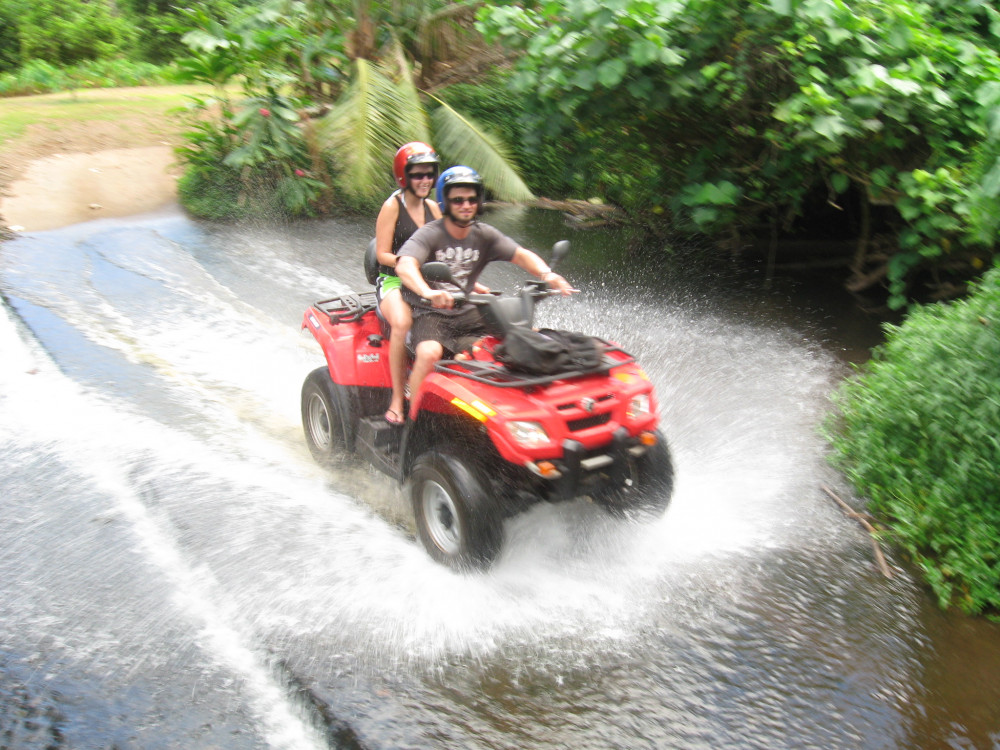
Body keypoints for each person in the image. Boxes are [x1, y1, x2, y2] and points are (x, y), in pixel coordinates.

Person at [395, 166, 574, 401]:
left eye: (471, 199)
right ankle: (413, 413)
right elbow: (405, 264)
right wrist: (427, 291)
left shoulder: (484, 235)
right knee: (429, 353)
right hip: (431, 312)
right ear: (445, 202)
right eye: (458, 200)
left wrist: (547, 274)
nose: (466, 205)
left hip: (468, 310)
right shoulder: (430, 233)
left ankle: (537, 400)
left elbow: (520, 255)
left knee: (524, 336)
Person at [373, 142, 441, 424]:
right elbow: (382, 254)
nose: (424, 181)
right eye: (418, 175)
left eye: (429, 174)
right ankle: (398, 400)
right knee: (402, 322)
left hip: (425, 279)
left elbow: (448, 243)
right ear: (404, 176)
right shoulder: (392, 207)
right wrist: (407, 262)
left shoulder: (433, 208)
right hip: (392, 280)